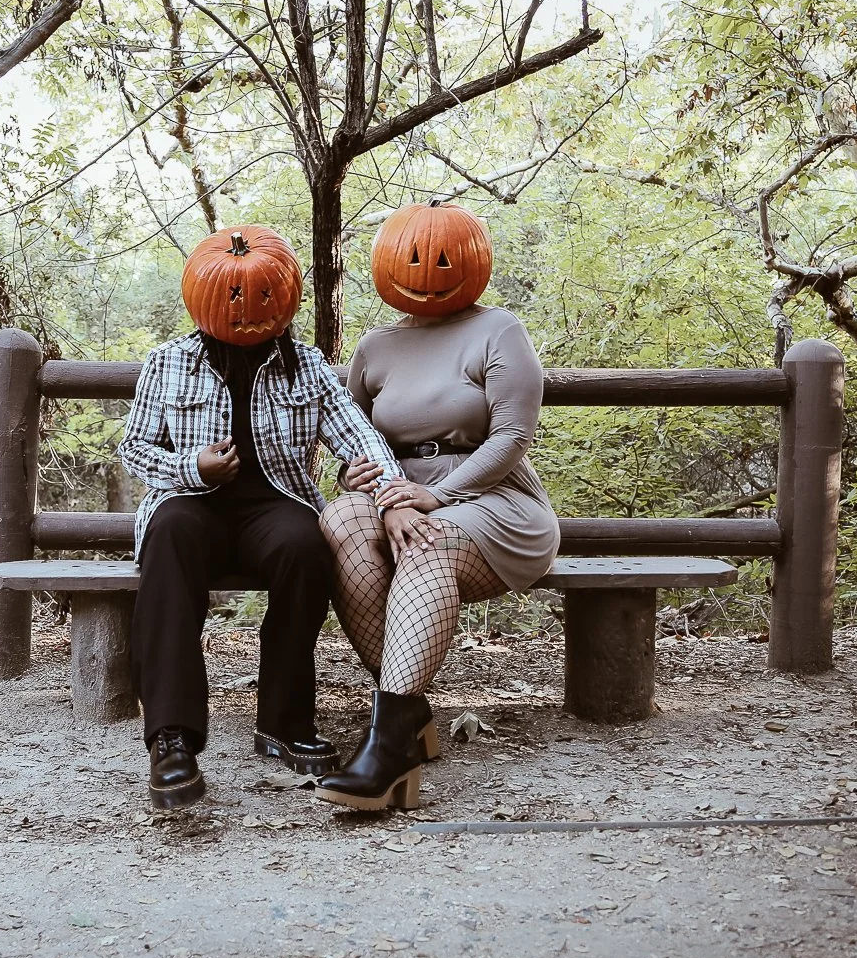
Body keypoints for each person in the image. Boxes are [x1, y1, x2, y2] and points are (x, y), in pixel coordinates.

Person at [119, 225, 402, 810]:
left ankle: (285, 722)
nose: (247, 308)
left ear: (285, 297)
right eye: (232, 295)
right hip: (190, 501)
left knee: (306, 546)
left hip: (274, 502)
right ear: (202, 297)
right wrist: (193, 466)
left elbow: (359, 435)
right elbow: (135, 450)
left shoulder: (308, 367)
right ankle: (172, 739)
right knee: (169, 535)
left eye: (264, 294)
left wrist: (379, 483)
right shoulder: (168, 362)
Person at [314, 200, 559, 811]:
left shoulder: (499, 330)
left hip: (489, 498)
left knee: (429, 540)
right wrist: (356, 476)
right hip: (396, 493)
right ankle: (405, 718)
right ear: (387, 262)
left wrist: (437, 495)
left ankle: (389, 745)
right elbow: (353, 437)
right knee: (339, 521)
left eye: (444, 257)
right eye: (414, 256)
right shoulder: (375, 347)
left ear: (474, 261)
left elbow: (512, 436)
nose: (428, 271)